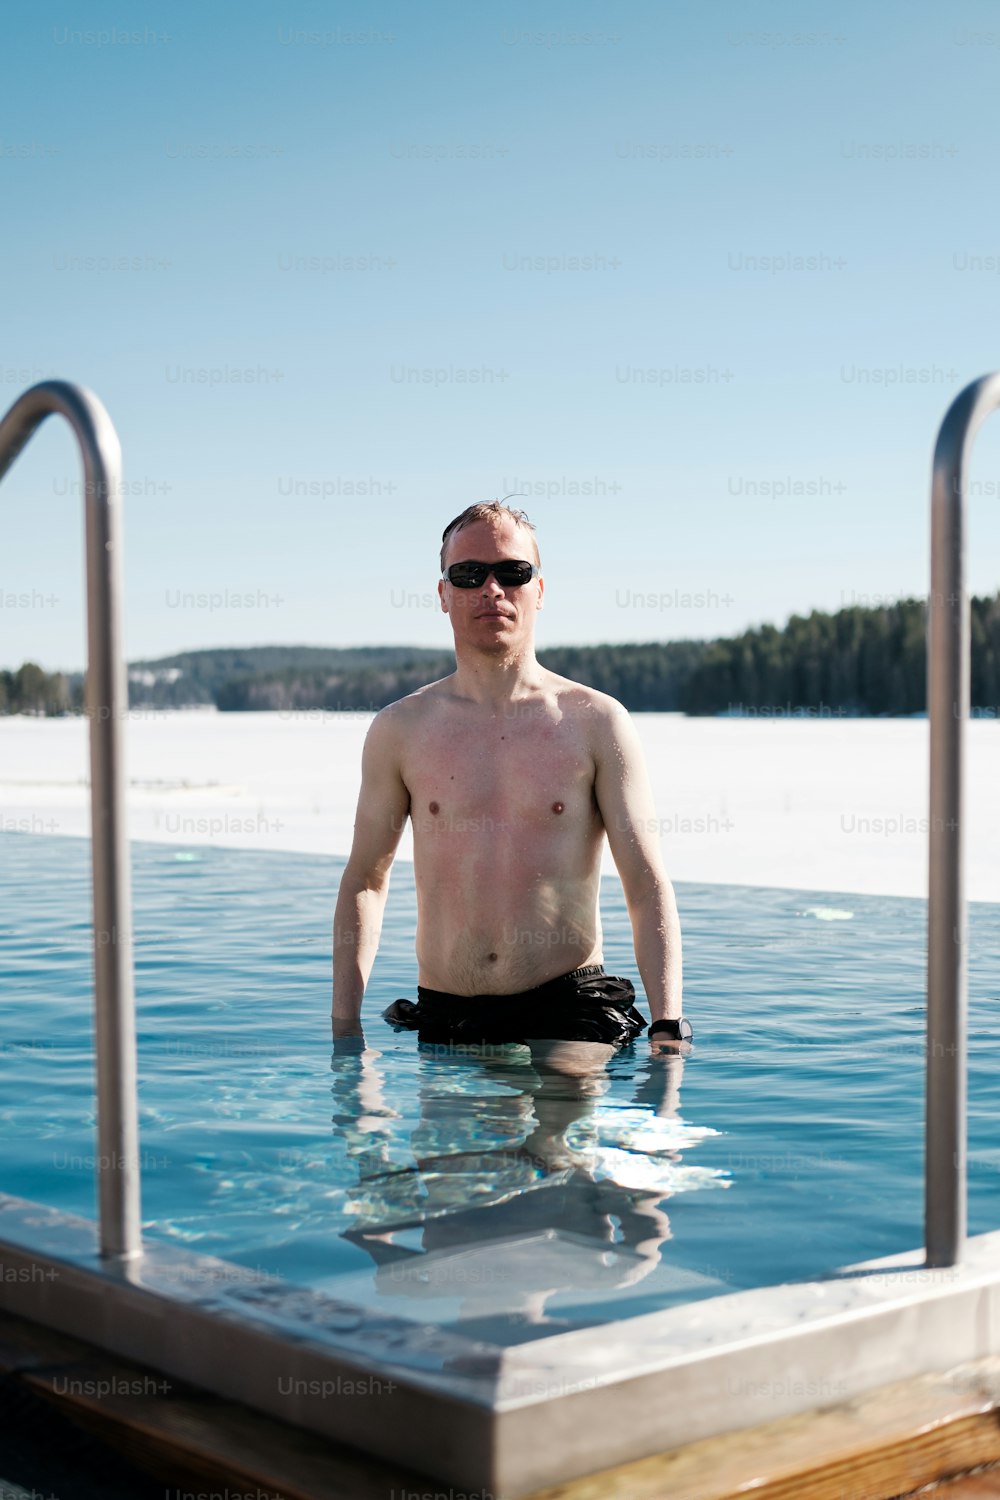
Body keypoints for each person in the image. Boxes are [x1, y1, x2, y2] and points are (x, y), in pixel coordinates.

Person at [331, 501, 690, 1057]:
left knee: (560, 1133)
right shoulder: (401, 729)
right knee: (454, 1146)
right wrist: (344, 1027)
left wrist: (669, 1023)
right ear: (444, 594)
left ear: (538, 589)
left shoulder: (595, 722)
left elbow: (645, 883)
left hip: (569, 1009)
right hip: (448, 1011)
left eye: (512, 572)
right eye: (469, 575)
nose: (491, 589)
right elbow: (365, 881)